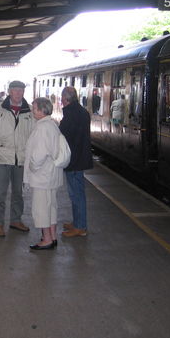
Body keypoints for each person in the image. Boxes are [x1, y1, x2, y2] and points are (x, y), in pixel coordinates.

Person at [0, 80, 35, 238]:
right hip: (2, 158)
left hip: (21, 159)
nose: (18, 93)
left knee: (18, 193)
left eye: (21, 90)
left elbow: (35, 133)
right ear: (9, 92)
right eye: (15, 90)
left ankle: (15, 219)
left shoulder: (30, 111)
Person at [24, 97, 70, 250]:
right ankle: (53, 235)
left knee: (41, 208)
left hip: (42, 176)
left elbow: (39, 155)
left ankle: (47, 239)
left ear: (41, 110)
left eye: (34, 108)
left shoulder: (42, 127)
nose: (32, 110)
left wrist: (32, 168)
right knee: (51, 206)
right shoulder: (52, 124)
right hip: (52, 175)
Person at [59, 86, 93, 237]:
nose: (61, 101)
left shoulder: (71, 114)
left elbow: (65, 136)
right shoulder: (81, 111)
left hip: (74, 160)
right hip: (79, 157)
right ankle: (78, 222)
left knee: (76, 194)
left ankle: (80, 227)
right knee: (76, 193)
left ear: (66, 99)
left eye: (62, 99)